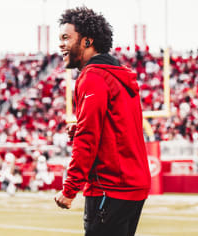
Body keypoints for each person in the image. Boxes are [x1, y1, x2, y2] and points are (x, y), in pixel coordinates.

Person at [54, 7, 151, 236]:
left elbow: (88, 138)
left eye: (66, 38)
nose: (61, 45)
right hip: (132, 184)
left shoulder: (93, 76)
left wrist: (69, 189)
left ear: (87, 41)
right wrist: (81, 127)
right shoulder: (119, 74)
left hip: (110, 186)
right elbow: (119, 126)